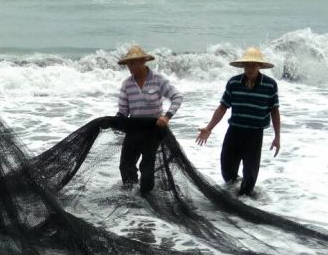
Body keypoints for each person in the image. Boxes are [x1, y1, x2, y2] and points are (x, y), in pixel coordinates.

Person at [195, 46, 281, 196]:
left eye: (253, 65)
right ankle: (233, 195)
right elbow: (223, 107)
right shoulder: (234, 83)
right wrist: (209, 128)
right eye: (247, 65)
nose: (249, 68)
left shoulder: (270, 85)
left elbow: (274, 111)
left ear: (259, 66)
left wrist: (277, 137)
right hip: (235, 130)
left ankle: (246, 200)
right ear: (243, 66)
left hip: (255, 133)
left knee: (250, 172)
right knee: (227, 168)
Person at [115, 44, 183, 194]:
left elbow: (177, 97)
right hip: (134, 128)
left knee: (147, 167)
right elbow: (123, 110)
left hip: (153, 129)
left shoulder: (158, 80)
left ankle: (146, 195)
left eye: (134, 63)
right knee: (125, 165)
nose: (130, 66)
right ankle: (132, 195)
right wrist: (116, 120)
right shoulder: (127, 84)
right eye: (128, 64)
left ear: (143, 61)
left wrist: (167, 116)